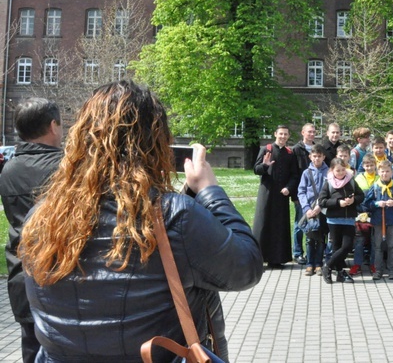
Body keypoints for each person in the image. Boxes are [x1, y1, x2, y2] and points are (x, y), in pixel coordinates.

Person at [19, 81, 264, 361]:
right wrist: (210, 191)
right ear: (155, 142)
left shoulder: (40, 217)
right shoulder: (174, 215)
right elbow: (246, 267)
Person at [0, 98, 64, 363]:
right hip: (61, 279)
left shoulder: (9, 170)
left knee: (30, 350)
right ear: (53, 126)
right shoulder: (67, 168)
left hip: (22, 274)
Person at [254, 124, 300, 267]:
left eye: (285, 134)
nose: (283, 137)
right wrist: (265, 165)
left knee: (279, 226)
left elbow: (294, 175)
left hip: (281, 195)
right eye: (281, 134)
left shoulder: (290, 153)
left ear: (288, 136)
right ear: (275, 134)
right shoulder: (266, 149)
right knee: (263, 224)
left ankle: (276, 259)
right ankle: (258, 258)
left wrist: (289, 188)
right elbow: (256, 169)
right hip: (266, 193)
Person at [318, 158, 365, 284]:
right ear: (332, 170)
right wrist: (338, 202)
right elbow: (322, 201)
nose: (341, 173)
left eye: (343, 170)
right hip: (333, 220)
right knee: (336, 247)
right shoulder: (328, 182)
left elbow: (361, 195)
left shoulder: (351, 181)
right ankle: (340, 273)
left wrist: (353, 200)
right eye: (338, 170)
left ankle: (327, 266)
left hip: (348, 219)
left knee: (347, 246)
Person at [364, 160, 393, 280]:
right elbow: (366, 203)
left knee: (391, 246)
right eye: (382, 171)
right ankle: (378, 270)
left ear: (392, 172)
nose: (385, 174)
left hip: (392, 221)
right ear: (378, 172)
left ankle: (391, 270)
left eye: (387, 171)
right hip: (378, 221)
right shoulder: (375, 186)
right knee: (378, 246)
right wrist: (376, 204)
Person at [297, 144, 329, 276]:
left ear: (323, 157)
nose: (317, 159)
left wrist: (320, 206)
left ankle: (319, 263)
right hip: (309, 209)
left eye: (319, 156)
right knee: (310, 237)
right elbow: (301, 191)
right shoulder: (306, 173)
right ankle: (310, 263)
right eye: (314, 156)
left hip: (323, 209)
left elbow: (329, 191)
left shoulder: (328, 172)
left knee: (321, 237)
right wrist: (306, 208)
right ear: (310, 157)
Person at [291, 123, 317, 265]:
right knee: (300, 223)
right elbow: (294, 173)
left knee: (315, 224)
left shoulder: (317, 149)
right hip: (301, 194)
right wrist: (295, 195)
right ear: (302, 132)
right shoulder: (296, 150)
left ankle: (312, 252)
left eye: (314, 132)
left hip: (316, 195)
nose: (311, 134)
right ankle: (297, 252)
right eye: (309, 132)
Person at [351, 153, 379, 276]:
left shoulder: (379, 179)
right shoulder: (358, 178)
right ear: (363, 165)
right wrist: (360, 212)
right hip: (360, 215)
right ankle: (357, 264)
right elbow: (355, 197)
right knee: (359, 241)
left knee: (375, 241)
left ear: (375, 165)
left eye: (372, 165)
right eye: (367, 165)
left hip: (375, 215)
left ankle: (374, 264)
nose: (369, 167)